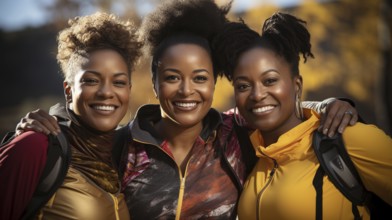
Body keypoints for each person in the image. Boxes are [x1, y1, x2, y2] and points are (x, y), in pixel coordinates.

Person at [13, 1, 359, 219]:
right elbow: (77, 136)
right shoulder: (118, 146)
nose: (187, 90)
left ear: (213, 83)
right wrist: (47, 120)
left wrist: (329, 105)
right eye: (172, 77)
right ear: (153, 82)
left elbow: (280, 111)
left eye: (200, 77)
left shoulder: (237, 136)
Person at [213, 12, 392, 219]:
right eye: (243, 85)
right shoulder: (251, 157)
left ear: (297, 85)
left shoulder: (346, 138)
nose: (257, 95)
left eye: (270, 81)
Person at [0, 11, 142, 220]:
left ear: (128, 90)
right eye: (91, 80)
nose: (106, 92)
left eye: (119, 82)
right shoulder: (35, 146)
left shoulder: (126, 158)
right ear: (68, 90)